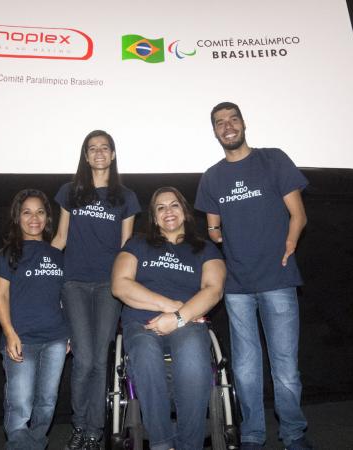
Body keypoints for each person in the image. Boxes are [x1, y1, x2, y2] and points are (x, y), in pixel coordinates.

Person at [194, 102, 312, 450]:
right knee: (245, 368)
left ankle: (293, 435)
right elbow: (212, 228)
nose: (227, 126)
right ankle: (253, 435)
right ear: (214, 131)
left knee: (286, 368)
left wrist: (289, 244)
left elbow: (299, 215)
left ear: (243, 124)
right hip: (237, 286)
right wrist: (220, 232)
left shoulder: (273, 159)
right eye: (220, 123)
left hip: (277, 279)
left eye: (232, 119)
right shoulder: (212, 177)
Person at [111, 187, 226, 450]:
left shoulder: (205, 249)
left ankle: (190, 444)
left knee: (194, 356)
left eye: (174, 205)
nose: (168, 211)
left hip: (188, 323)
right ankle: (161, 443)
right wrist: (171, 307)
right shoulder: (137, 244)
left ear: (184, 211)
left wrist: (178, 318)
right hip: (142, 322)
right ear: (153, 216)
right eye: (160, 207)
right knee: (144, 353)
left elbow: (213, 290)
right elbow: (120, 285)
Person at [52, 130, 141, 450]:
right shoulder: (69, 192)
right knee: (84, 359)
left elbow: (125, 247)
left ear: (113, 155)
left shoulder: (126, 197)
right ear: (86, 156)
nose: (99, 153)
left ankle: (94, 431)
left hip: (107, 286)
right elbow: (60, 238)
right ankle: (79, 426)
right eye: (93, 149)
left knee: (100, 359)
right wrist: (41, 272)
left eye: (105, 148)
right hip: (74, 283)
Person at [0, 189, 70, 450]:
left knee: (47, 403)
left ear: (47, 218)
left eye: (40, 212)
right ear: (17, 218)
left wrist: (69, 335)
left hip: (55, 341)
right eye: (27, 212)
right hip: (21, 340)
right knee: (20, 404)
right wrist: (10, 333)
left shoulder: (58, 255)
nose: (33, 217)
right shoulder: (7, 255)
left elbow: (63, 298)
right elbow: (0, 296)